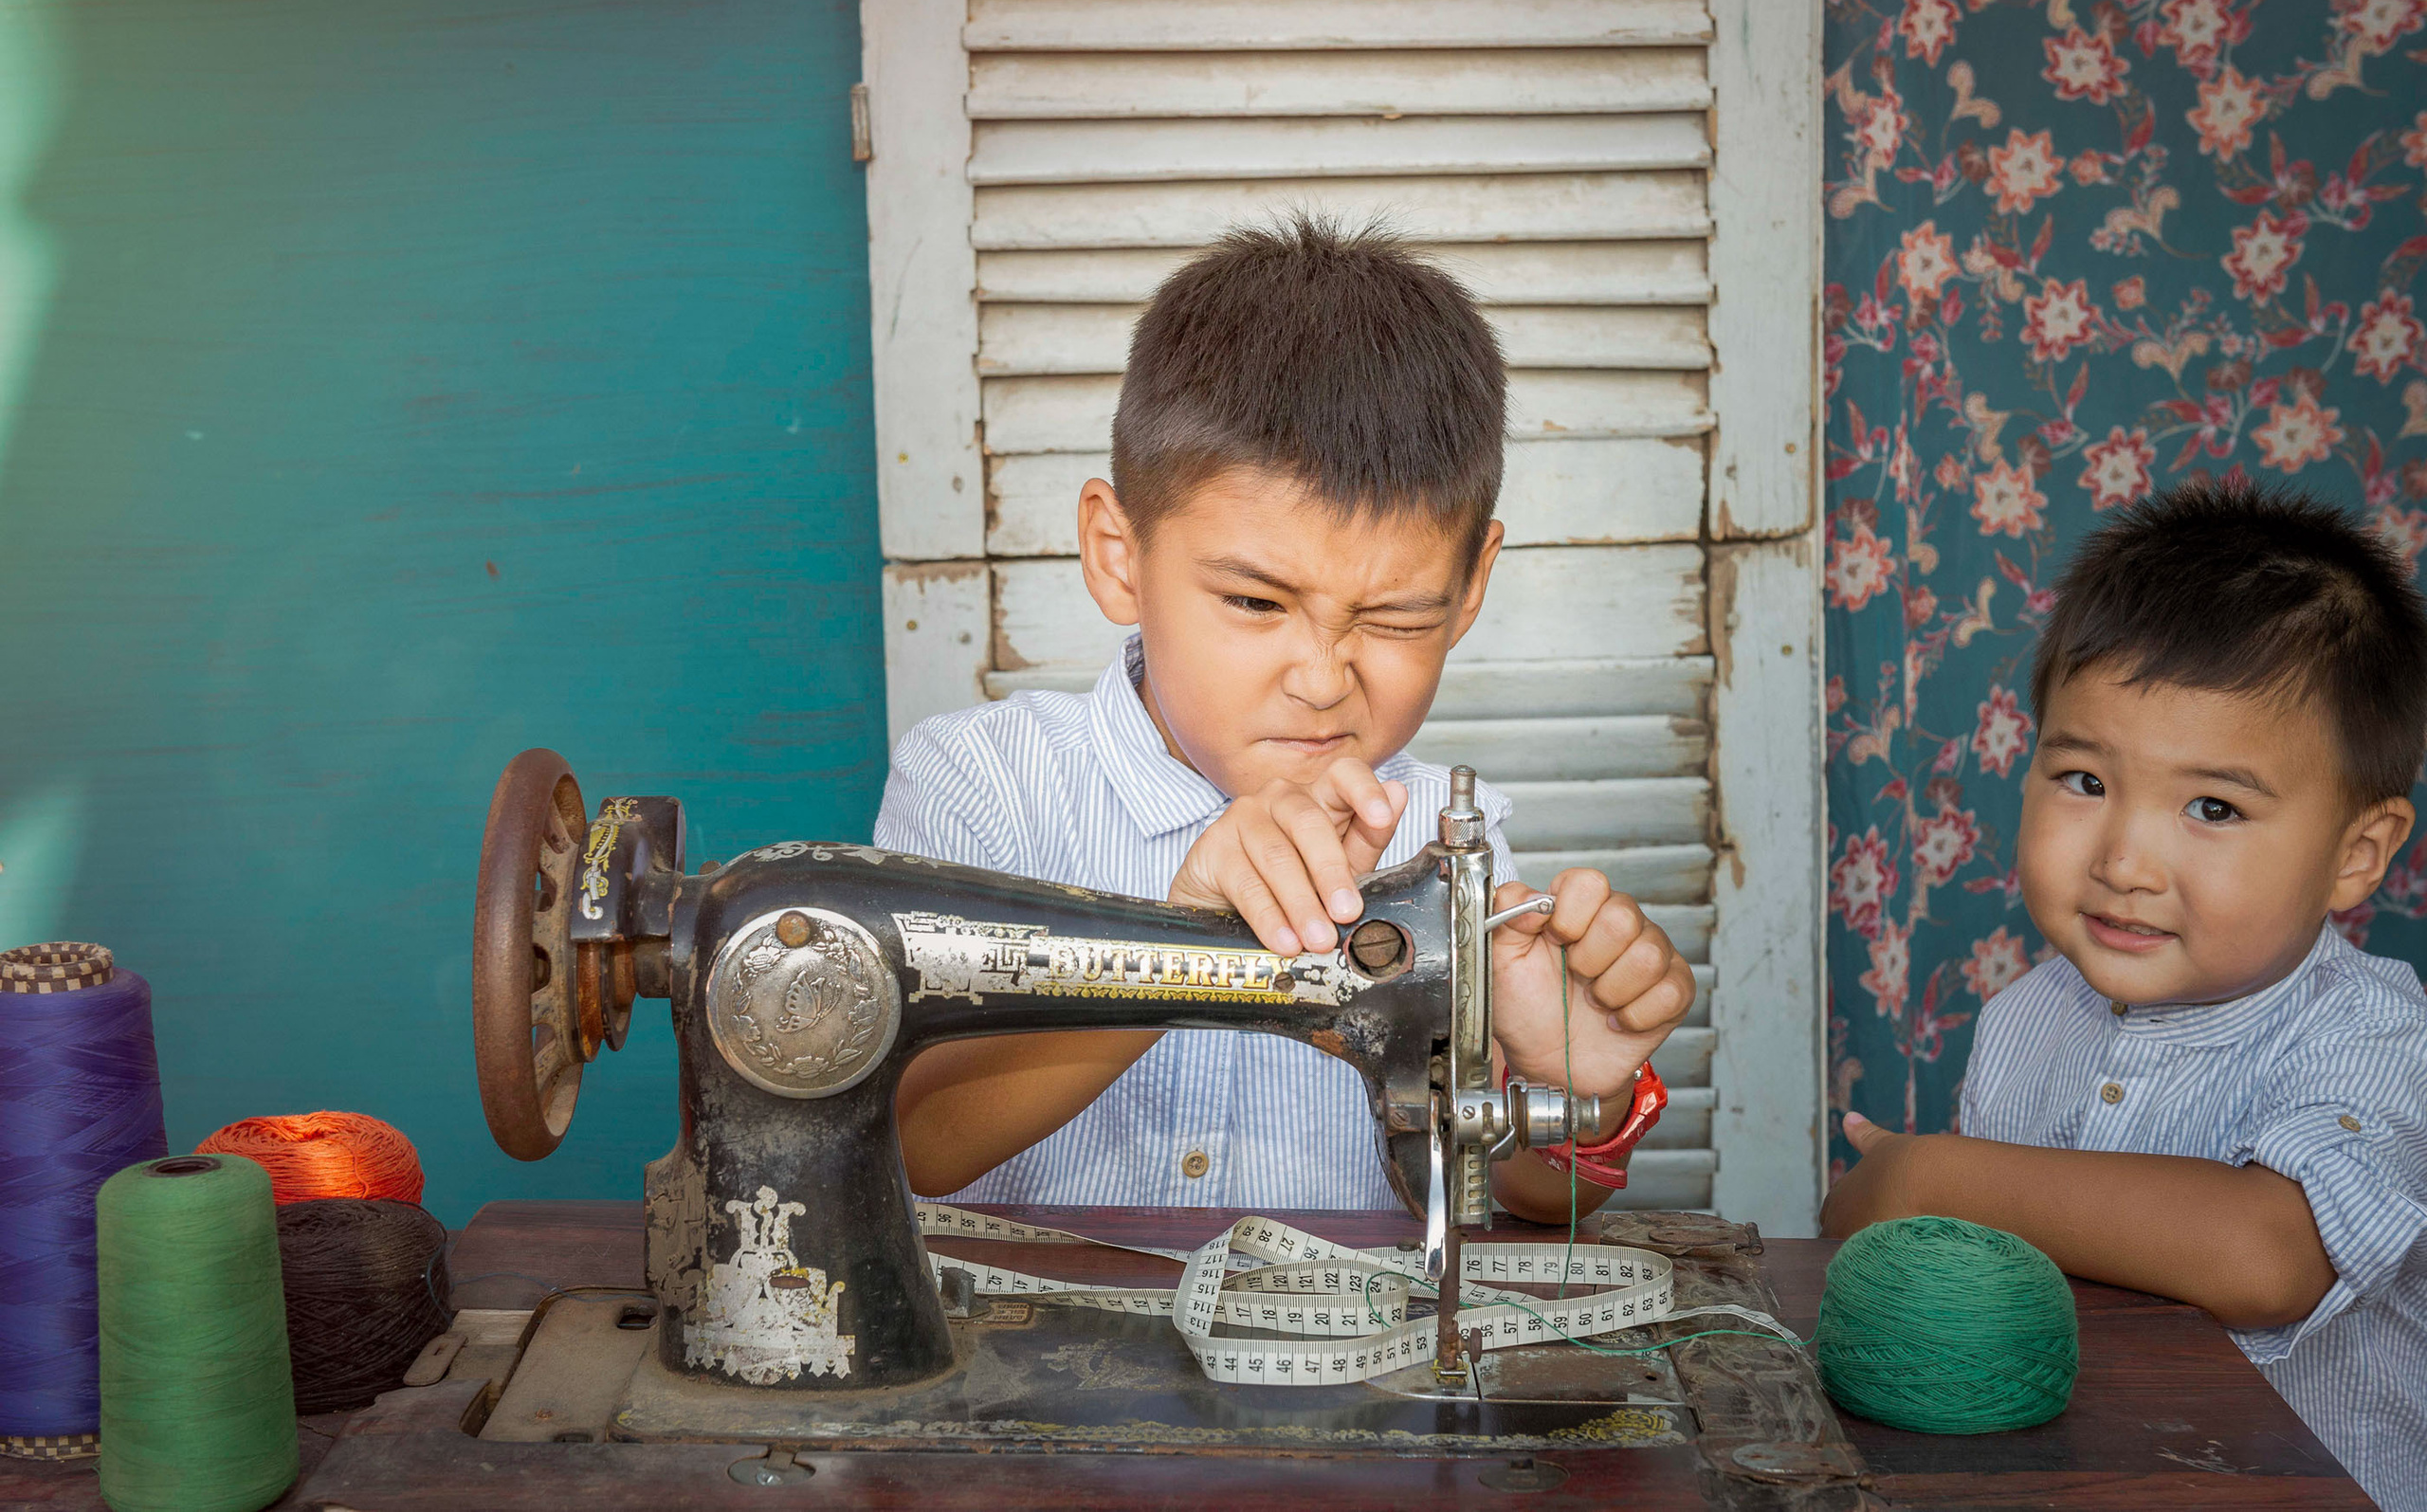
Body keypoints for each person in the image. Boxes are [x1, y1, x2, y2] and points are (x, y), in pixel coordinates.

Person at [874, 215, 1695, 1223]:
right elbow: (912, 1144)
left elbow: (1517, 1199)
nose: (1320, 678)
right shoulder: (981, 783)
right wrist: (1185, 940)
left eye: (1396, 616)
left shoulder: (1443, 836)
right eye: (1257, 603)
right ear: (1117, 552)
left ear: (1471, 584)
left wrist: (1584, 1093)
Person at [1823, 486, 2427, 1508]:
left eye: (2211, 806)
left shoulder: (2372, 1034)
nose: (2124, 860)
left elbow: (2267, 1253)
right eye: (2084, 780)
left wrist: (1929, 1171)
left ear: (2355, 853)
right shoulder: (2026, 1021)